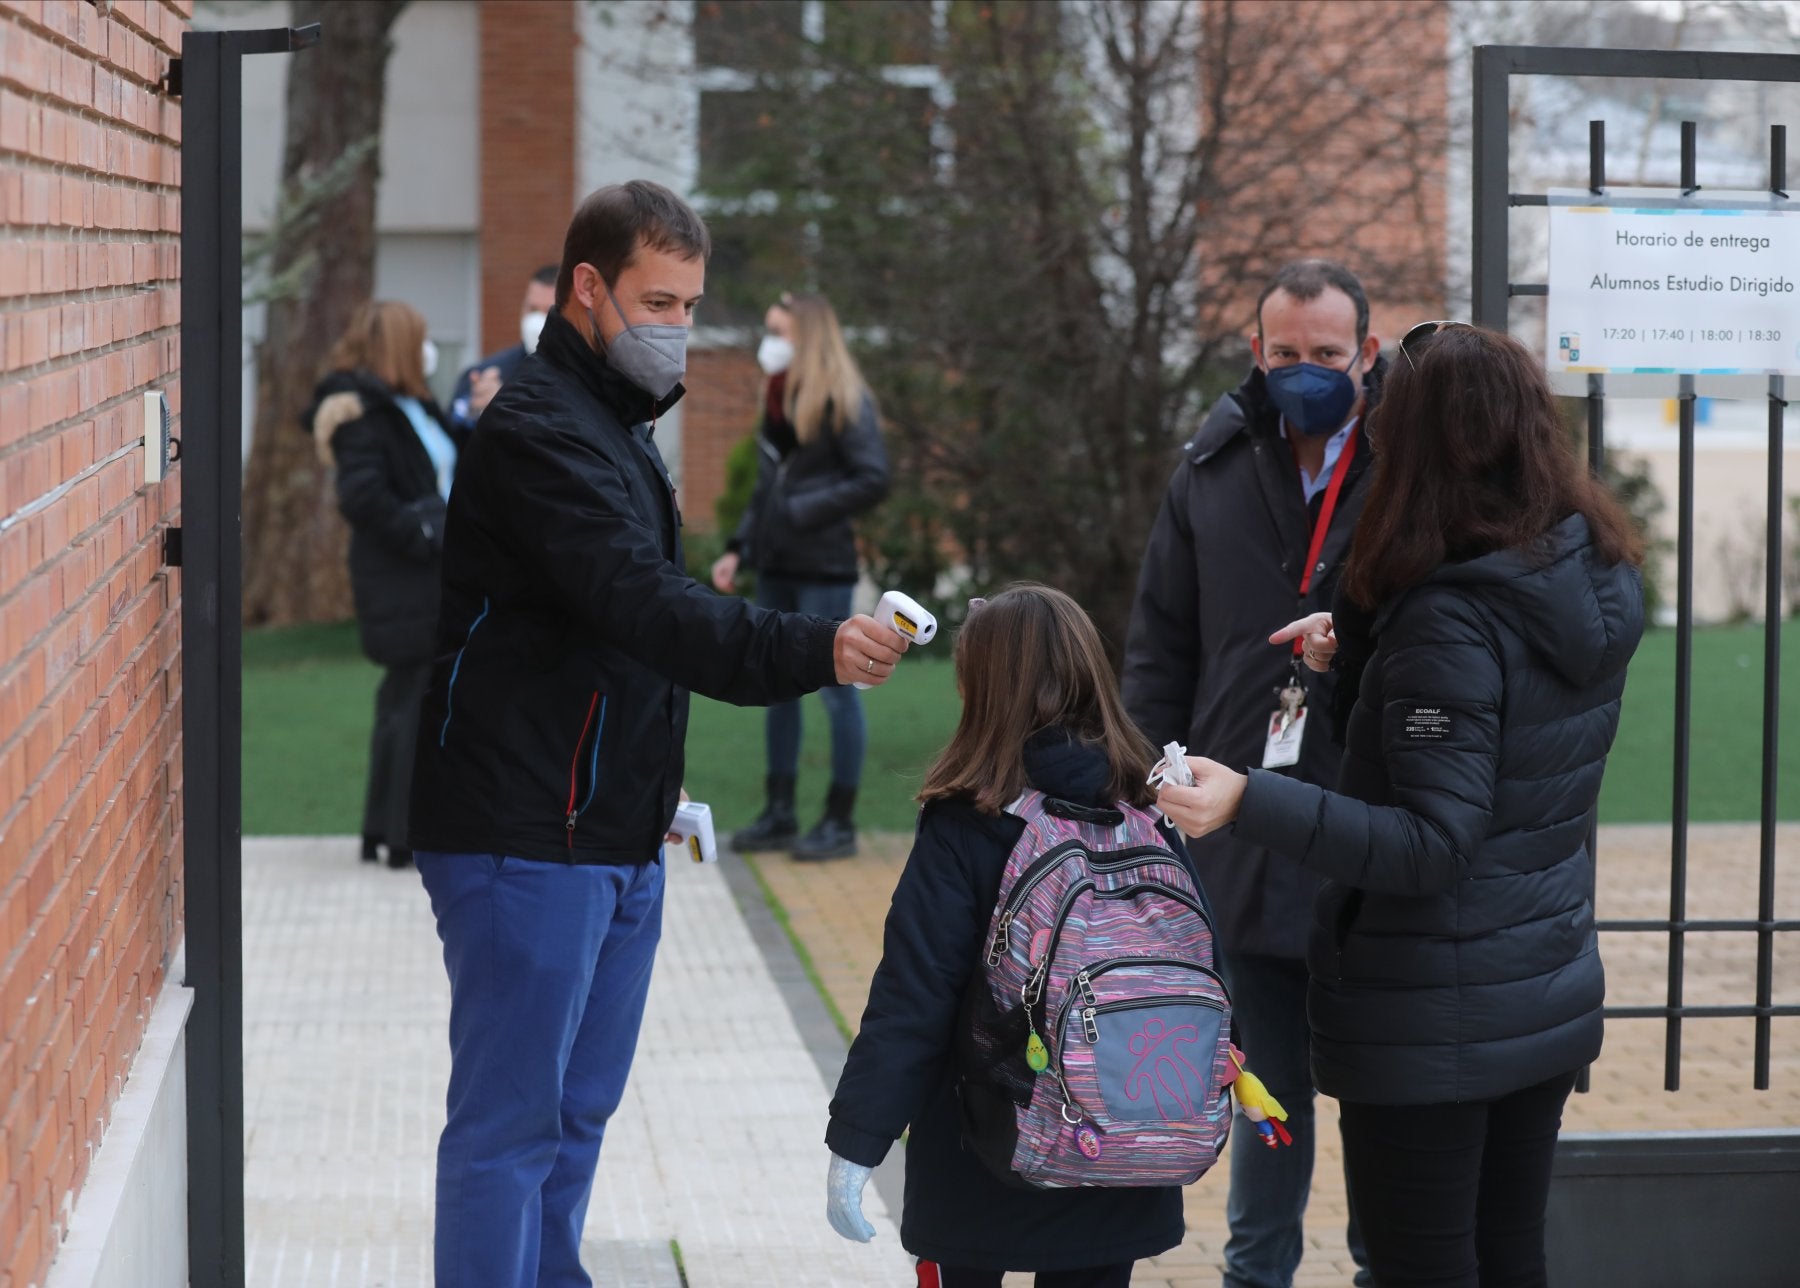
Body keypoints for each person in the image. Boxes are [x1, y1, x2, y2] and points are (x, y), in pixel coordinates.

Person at [406, 180, 910, 1288]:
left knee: (574, 1117)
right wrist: (817, 646)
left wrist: (654, 799)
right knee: (508, 1129)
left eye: (690, 304)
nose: (678, 327)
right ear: (588, 288)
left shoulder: (614, 427)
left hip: (612, 834)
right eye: (658, 302)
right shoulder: (539, 431)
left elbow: (619, 644)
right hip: (522, 834)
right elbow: (644, 605)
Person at [1155, 322, 1645, 1288]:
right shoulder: (1580, 566)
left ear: (1421, 444)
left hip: (1437, 1019)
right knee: (1510, 1258)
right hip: (1538, 987)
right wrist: (1362, 659)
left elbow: (1431, 842)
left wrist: (1249, 801)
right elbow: (1480, 749)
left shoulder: (1450, 618)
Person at [1121, 259, 1379, 1288]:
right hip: (1237, 828)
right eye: (1286, 353)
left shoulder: (1412, 469)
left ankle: (1382, 1266)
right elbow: (1159, 646)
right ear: (1255, 352)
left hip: (1368, 824)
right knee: (1264, 1087)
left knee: (1381, 1090)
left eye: (1328, 353)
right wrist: (1148, 786)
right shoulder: (1212, 466)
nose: (1305, 370)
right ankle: (1255, 1272)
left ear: (1368, 352)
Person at [823, 583, 1198, 1288]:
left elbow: (913, 999)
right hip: (1120, 1146)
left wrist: (857, 1139)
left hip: (984, 1147)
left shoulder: (966, 821)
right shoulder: (1147, 808)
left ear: (982, 690)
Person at [711, 293, 890, 860]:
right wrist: (739, 546)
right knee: (776, 686)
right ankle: (779, 812)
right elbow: (766, 487)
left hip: (823, 567)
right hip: (776, 564)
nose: (769, 342)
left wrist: (801, 509)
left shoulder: (845, 399)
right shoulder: (777, 394)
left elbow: (872, 476)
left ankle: (839, 821)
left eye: (778, 331)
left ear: (807, 336)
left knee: (838, 692)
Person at [306, 299, 459, 870]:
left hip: (429, 574)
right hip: (404, 578)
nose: (429, 351)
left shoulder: (414, 404)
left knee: (407, 697)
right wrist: (426, 533)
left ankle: (386, 830)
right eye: (419, 339)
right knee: (411, 698)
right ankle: (401, 835)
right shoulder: (360, 414)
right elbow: (363, 498)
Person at [446, 262, 558, 433]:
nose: (537, 320)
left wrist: (505, 406)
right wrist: (476, 412)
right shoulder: (488, 373)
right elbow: (454, 435)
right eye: (532, 309)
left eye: (548, 312)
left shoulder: (582, 375)